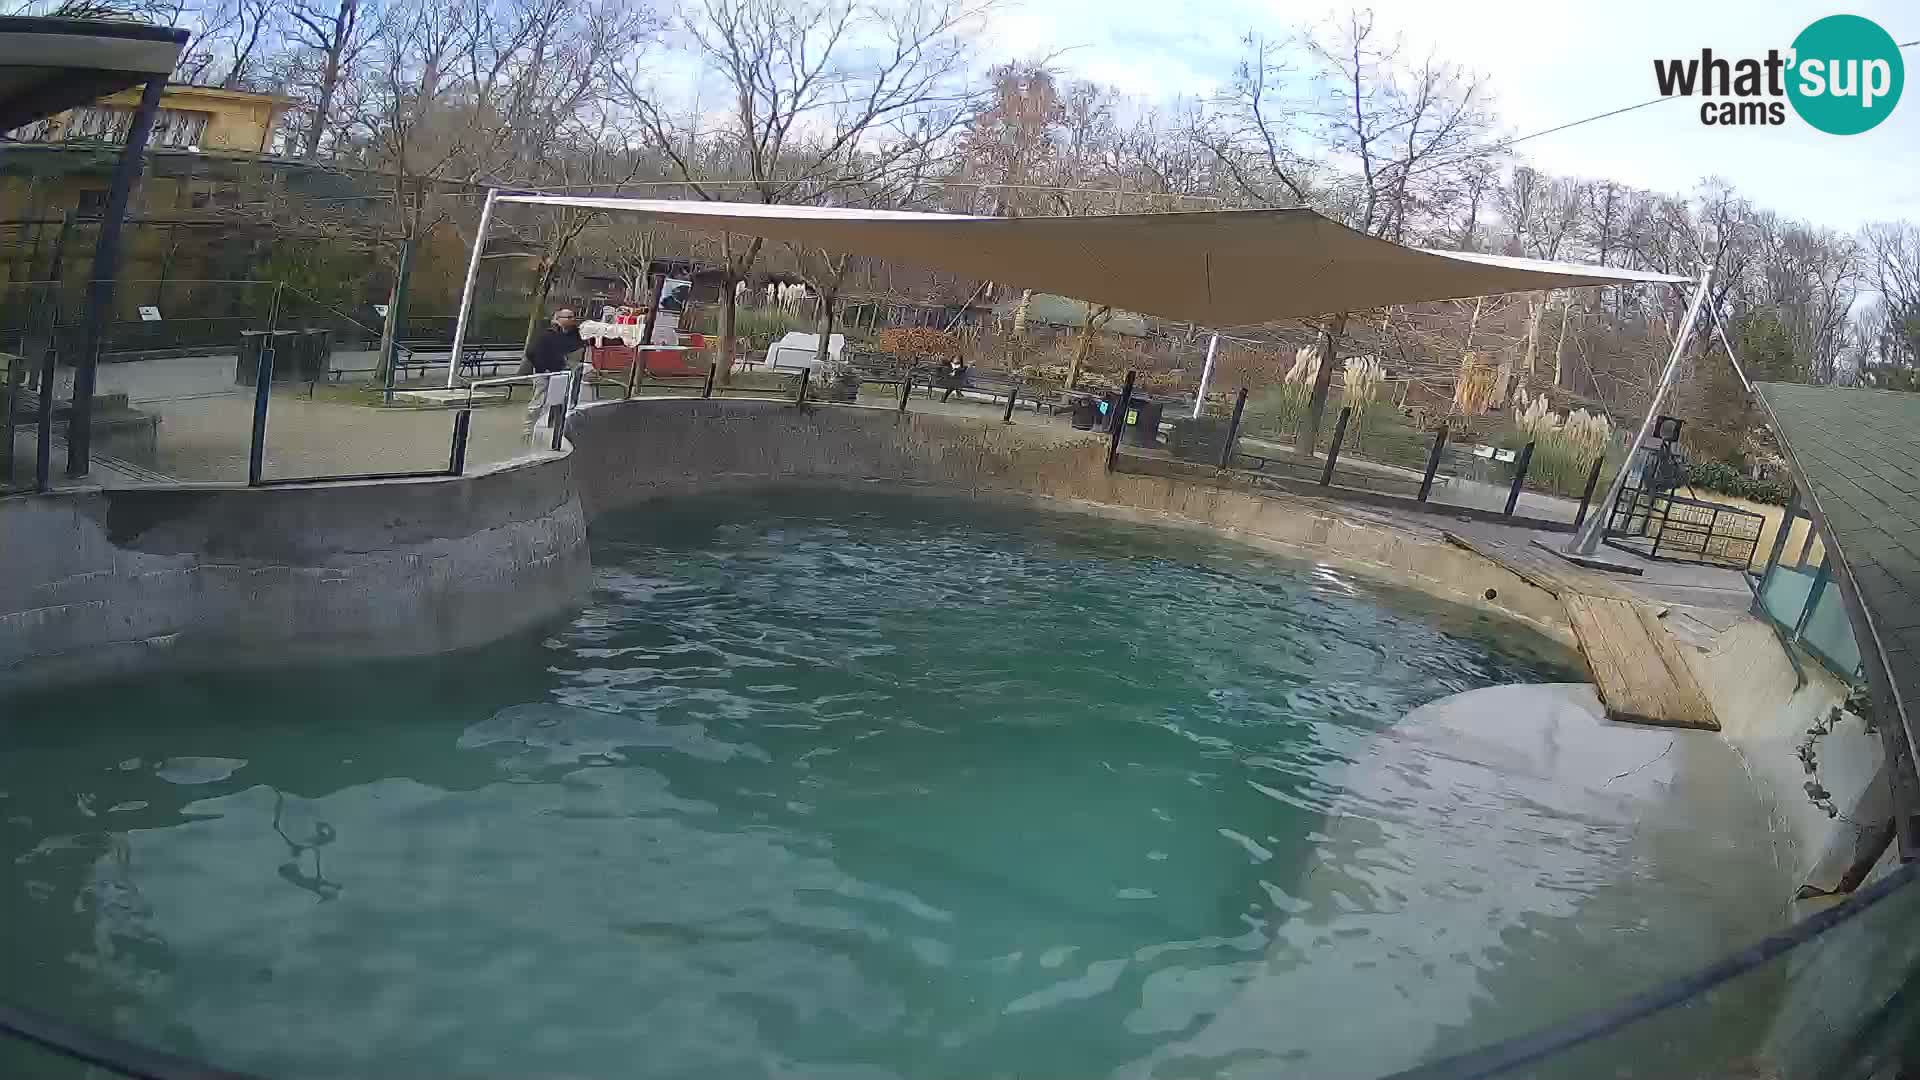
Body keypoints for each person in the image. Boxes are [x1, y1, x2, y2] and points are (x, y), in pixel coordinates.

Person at [525, 308, 585, 436]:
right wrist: (542, 368)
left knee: (559, 401)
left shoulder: (572, 334)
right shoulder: (547, 334)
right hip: (545, 372)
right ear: (558, 319)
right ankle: (528, 430)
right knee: (539, 401)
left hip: (560, 373)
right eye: (568, 317)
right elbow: (531, 352)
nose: (572, 319)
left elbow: (575, 347)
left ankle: (554, 429)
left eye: (573, 317)